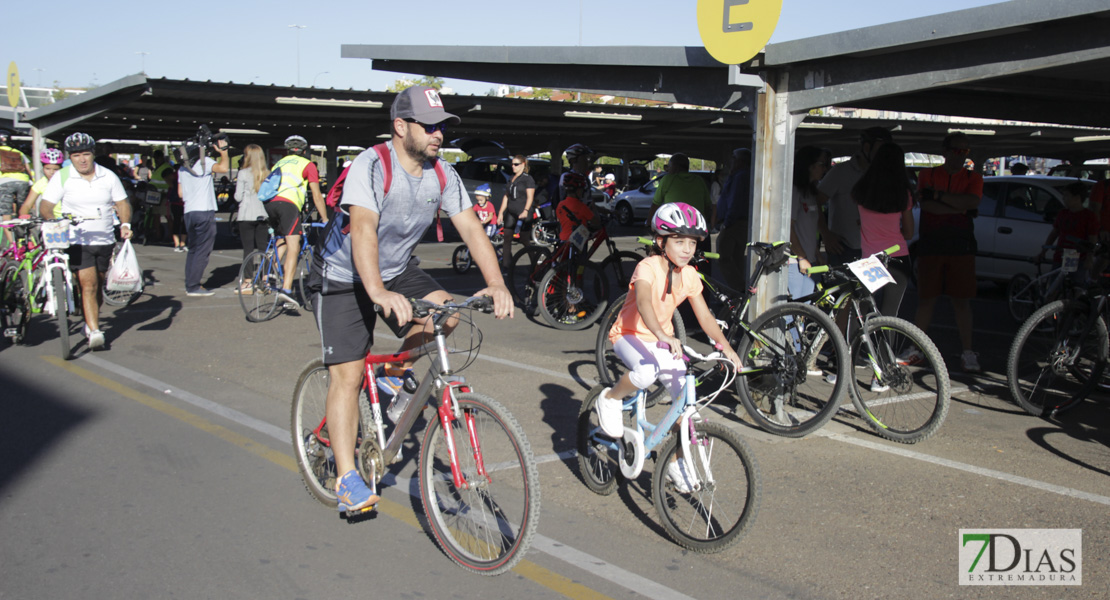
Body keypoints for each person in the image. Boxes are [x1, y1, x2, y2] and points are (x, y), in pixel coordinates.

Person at [315, 85, 512, 512]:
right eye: (430, 126)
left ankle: (393, 373)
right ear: (401, 126)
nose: (439, 134)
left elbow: (472, 228)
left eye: (443, 126)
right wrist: (377, 292)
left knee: (447, 315)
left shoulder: (442, 174)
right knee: (347, 376)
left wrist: (496, 283)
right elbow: (363, 229)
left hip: (395, 268)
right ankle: (347, 477)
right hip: (344, 274)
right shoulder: (372, 164)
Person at [594, 202, 741, 491]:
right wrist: (662, 333)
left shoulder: (689, 275)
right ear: (661, 241)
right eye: (679, 241)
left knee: (689, 410)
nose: (687, 249)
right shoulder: (647, 267)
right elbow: (646, 302)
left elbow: (706, 317)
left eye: (693, 242)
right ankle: (610, 399)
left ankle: (674, 461)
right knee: (647, 372)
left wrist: (727, 349)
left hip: (663, 340)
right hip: (629, 335)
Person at [38, 133, 132, 350]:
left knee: (98, 284)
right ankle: (95, 331)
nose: (81, 159)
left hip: (104, 238)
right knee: (87, 284)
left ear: (93, 155)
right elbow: (46, 205)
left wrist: (125, 224)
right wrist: (52, 220)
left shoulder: (108, 176)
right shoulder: (62, 176)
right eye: (76, 155)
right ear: (70, 157)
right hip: (77, 239)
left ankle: (91, 322)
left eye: (85, 154)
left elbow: (122, 202)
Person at [909, 132, 983, 372]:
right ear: (946, 151)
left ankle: (968, 352)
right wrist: (958, 207)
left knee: (962, 301)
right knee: (926, 299)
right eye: (957, 151)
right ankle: (915, 349)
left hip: (961, 245)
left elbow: (971, 203)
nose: (961, 156)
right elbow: (927, 204)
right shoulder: (927, 174)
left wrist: (940, 197)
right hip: (932, 242)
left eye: (966, 152)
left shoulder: (974, 177)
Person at [852, 142, 915, 317]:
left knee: (860, 311)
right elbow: (909, 232)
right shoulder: (903, 193)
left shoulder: (861, 190)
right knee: (890, 313)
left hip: (869, 259)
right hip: (897, 257)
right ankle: (885, 346)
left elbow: (865, 220)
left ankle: (854, 345)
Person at [264, 135, 328, 307]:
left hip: (270, 203)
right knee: (295, 244)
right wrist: (325, 218)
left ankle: (269, 272)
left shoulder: (279, 163)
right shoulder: (307, 165)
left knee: (282, 238)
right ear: (305, 151)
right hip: (288, 204)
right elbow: (316, 195)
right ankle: (286, 289)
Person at [818, 126, 893, 266]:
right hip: (845, 248)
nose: (885, 155)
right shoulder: (841, 171)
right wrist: (826, 235)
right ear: (866, 147)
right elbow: (815, 203)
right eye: (881, 150)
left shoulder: (884, 174)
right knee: (842, 288)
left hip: (877, 248)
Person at [177, 134, 230, 296]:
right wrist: (224, 152)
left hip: (189, 211)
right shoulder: (204, 163)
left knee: (193, 249)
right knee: (203, 249)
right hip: (204, 210)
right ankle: (194, 286)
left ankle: (190, 283)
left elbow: (180, 193)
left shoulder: (182, 168)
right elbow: (223, 169)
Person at [788, 146, 831, 301]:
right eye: (822, 164)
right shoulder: (794, 190)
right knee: (794, 311)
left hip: (809, 260)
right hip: (796, 262)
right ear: (809, 166)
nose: (825, 169)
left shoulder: (811, 191)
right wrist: (801, 257)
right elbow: (789, 227)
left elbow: (810, 229)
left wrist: (817, 254)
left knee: (805, 309)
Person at [649, 153, 713, 254]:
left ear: (675, 167)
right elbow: (708, 206)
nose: (667, 170)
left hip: (675, 230)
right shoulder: (699, 181)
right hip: (698, 228)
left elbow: (655, 204)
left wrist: (649, 222)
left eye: (668, 167)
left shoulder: (667, 179)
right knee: (703, 260)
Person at [1039, 182, 1097, 282]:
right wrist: (1043, 251)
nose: (1064, 198)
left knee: (1074, 285)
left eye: (1066, 196)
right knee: (1056, 283)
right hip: (1061, 253)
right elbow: (1054, 233)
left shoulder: (1088, 216)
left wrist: (1089, 257)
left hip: (1076, 254)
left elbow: (1092, 238)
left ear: (1077, 198)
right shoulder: (1063, 213)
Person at [715, 148, 751, 290]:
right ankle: (738, 290)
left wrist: (727, 223)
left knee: (724, 255)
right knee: (737, 257)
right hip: (740, 222)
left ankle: (738, 289)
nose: (731, 162)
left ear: (740, 161)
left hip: (735, 223)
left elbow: (735, 201)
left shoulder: (740, 176)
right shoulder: (743, 175)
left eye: (734, 158)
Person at [233, 144, 270, 278]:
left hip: (246, 214)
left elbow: (238, 197)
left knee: (248, 249)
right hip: (263, 214)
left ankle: (248, 279)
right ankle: (265, 277)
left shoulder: (242, 173)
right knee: (263, 248)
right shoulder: (267, 173)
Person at [556, 143, 601, 242]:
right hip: (571, 222)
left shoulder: (586, 179)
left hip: (582, 221)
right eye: (584, 159)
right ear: (573, 160)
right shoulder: (567, 177)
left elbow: (589, 202)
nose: (587, 162)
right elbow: (564, 200)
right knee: (568, 251)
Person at [497, 154, 535, 267]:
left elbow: (530, 197)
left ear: (523, 165)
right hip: (511, 211)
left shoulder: (528, 179)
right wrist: (500, 213)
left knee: (524, 239)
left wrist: (526, 210)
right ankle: (506, 264)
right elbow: (506, 196)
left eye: (516, 164)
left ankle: (534, 261)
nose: (513, 166)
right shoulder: (511, 178)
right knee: (507, 236)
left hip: (523, 212)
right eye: (512, 164)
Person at [0, 129, 33, 245]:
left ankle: (14, 245)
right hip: (23, 182)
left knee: (6, 215)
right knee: (22, 212)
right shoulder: (19, 153)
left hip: (4, 182)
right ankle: (28, 239)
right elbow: (29, 170)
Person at [19, 148, 65, 218]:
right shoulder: (40, 183)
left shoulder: (68, 180)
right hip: (50, 221)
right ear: (43, 168)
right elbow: (27, 205)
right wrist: (24, 215)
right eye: (47, 169)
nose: (51, 172)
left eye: (55, 169)